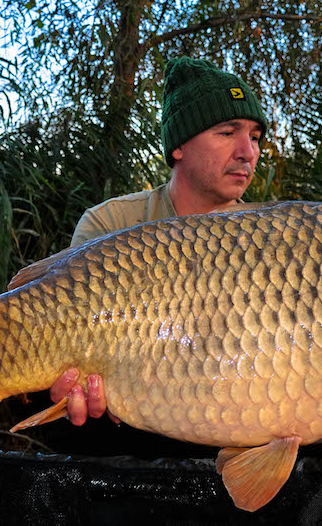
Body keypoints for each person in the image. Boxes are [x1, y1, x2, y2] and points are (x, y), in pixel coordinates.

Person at [49, 56, 268, 426]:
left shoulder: (272, 239)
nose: (248, 152)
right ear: (179, 146)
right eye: (228, 133)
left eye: (255, 137)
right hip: (127, 431)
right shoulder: (111, 224)